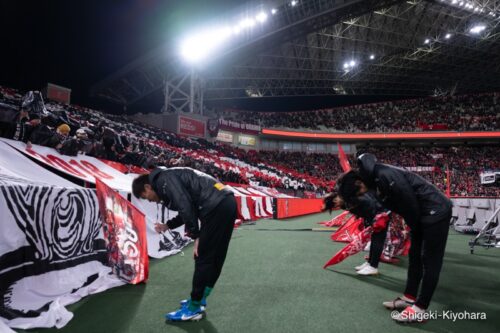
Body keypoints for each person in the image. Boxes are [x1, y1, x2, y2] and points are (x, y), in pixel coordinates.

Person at [327, 153, 452, 323]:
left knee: (430, 261)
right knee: (415, 257)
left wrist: (412, 227)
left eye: (358, 192)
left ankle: (420, 308)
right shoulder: (374, 180)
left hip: (436, 211)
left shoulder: (385, 176)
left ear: (358, 183)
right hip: (421, 215)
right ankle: (409, 298)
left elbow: (410, 204)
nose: (361, 194)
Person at [132, 167, 237, 322]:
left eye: (145, 196)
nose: (149, 200)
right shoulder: (169, 177)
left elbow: (185, 205)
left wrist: (196, 236)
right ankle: (200, 299)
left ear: (147, 187)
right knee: (216, 256)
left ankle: (194, 307)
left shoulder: (163, 180)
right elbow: (188, 208)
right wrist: (167, 225)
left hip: (215, 207)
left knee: (203, 258)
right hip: (226, 202)